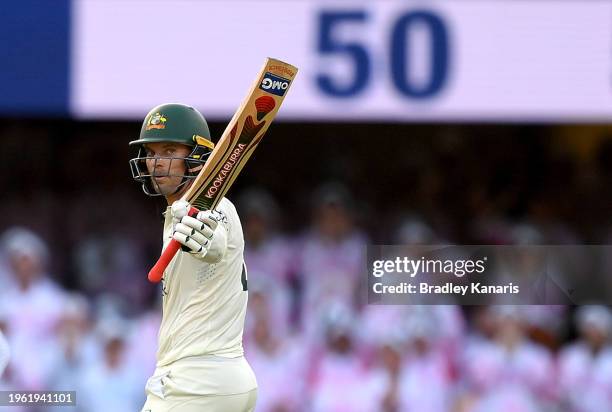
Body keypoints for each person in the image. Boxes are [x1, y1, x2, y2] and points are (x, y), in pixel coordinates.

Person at [130, 103, 257, 411]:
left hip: (197, 382)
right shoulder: (176, 211)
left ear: (198, 157)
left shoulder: (216, 209)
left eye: (169, 151)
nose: (156, 163)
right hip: (218, 377)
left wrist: (202, 238)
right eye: (150, 152)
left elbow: (215, 241)